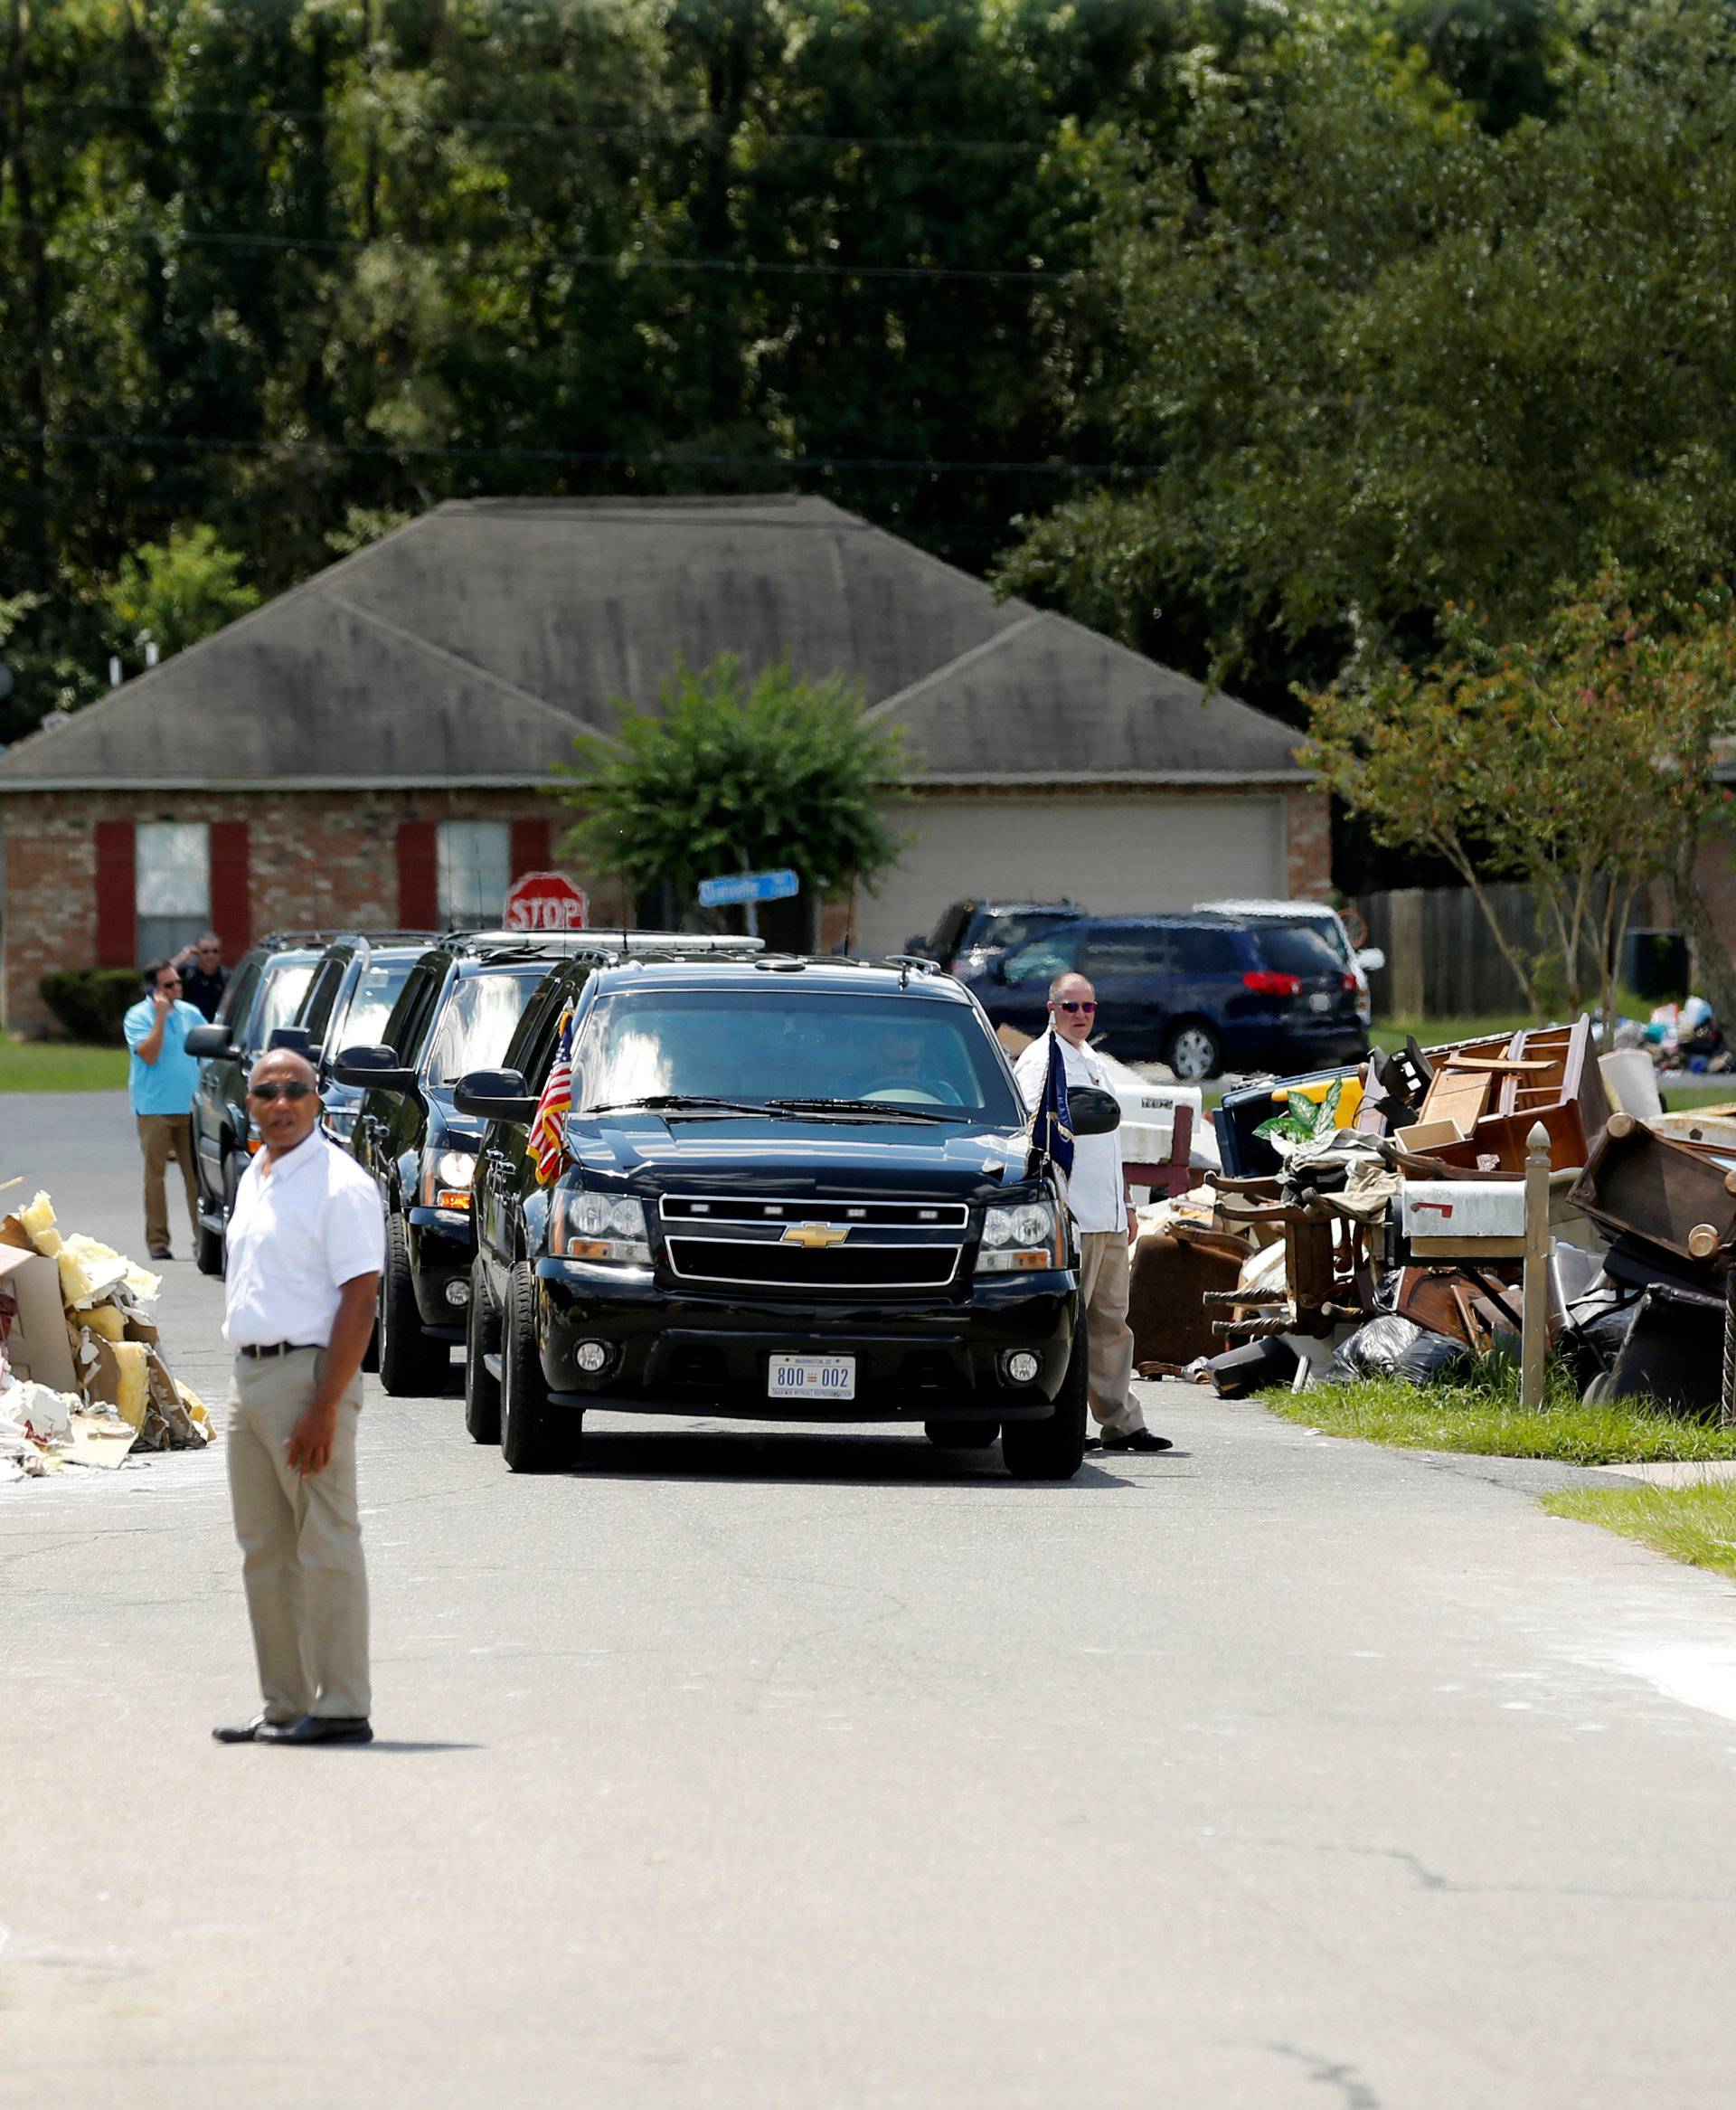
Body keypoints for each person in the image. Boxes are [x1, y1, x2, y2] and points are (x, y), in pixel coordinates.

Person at [212, 1047, 385, 1747]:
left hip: (309, 1378)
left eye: (295, 1090)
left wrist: (324, 1403)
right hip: (247, 1378)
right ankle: (285, 1702)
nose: (280, 1102)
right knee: (265, 1550)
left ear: (319, 1100)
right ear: (249, 1102)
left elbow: (361, 1299)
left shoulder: (339, 1184)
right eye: (266, 1091)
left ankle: (342, 1704)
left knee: (326, 1543)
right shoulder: (257, 1172)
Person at [1014, 972, 1172, 1455]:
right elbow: (1032, 1137)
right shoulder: (1041, 1063)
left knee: (1111, 1321)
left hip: (1105, 1212)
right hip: (1071, 1215)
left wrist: (1126, 1203)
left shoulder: (1095, 1062)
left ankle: (1121, 1421)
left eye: (1088, 1007)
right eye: (1070, 1007)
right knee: (1070, 1324)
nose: (1080, 1015)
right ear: (1051, 1009)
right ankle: (1061, 1421)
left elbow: (1110, 1142)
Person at [123, 958, 205, 1261]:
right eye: (168, 985)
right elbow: (149, 1055)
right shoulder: (137, 1016)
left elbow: (207, 1052)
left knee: (195, 1177)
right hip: (154, 1107)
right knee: (155, 1176)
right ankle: (158, 1241)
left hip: (190, 1107)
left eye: (178, 982)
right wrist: (159, 1017)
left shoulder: (192, 1014)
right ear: (153, 989)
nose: (176, 988)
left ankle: (203, 1241)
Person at [174, 932, 230, 1022]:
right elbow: (160, 976)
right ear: (197, 953)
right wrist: (183, 957)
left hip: (216, 1031)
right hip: (188, 1029)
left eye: (215, 951)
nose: (211, 955)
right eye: (205, 952)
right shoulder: (187, 973)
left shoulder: (226, 977)